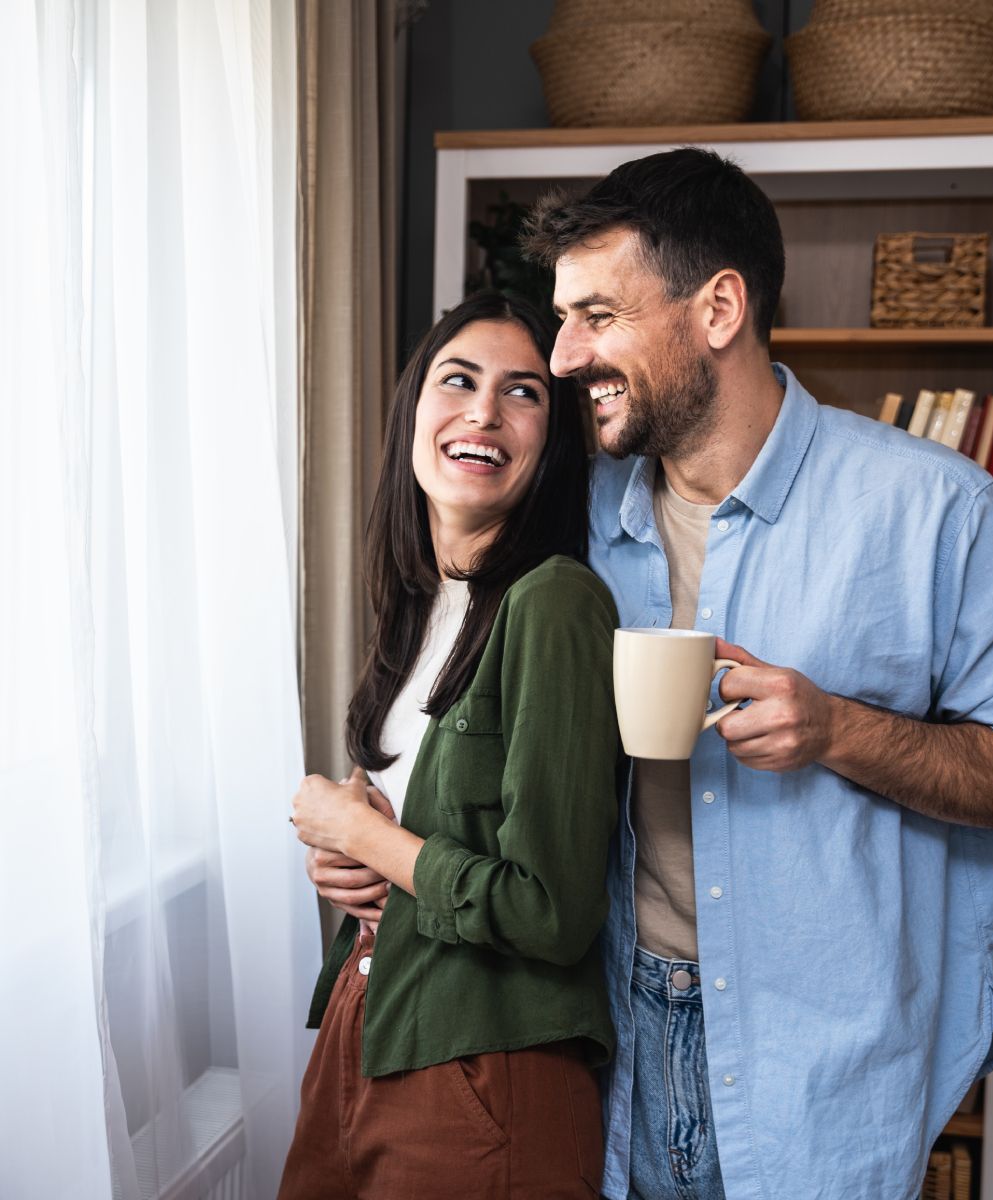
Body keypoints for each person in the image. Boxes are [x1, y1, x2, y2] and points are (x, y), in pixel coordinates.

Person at [520, 149, 993, 1200]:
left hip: (826, 1062)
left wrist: (838, 731)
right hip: (609, 1033)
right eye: (564, 320)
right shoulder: (583, 511)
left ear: (720, 308)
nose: (563, 357)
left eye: (596, 315)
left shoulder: (941, 514)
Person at [280, 290, 620, 1200]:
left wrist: (365, 840)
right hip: (367, 1018)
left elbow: (549, 910)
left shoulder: (554, 602)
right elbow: (411, 835)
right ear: (413, 410)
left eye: (523, 393)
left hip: (484, 1062)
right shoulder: (417, 606)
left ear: (552, 443)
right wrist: (347, 855)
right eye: (458, 380)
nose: (483, 412)